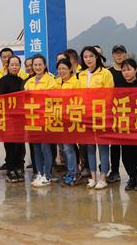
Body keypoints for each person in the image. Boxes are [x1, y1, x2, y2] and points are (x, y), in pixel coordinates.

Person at [79, 46, 114, 189]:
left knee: (103, 147)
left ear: (97, 57)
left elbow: (109, 95)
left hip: (101, 115)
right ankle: (93, 178)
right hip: (86, 116)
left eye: (91, 56)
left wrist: (100, 111)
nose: (88, 59)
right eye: (85, 57)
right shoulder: (81, 75)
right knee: (90, 147)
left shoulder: (105, 73)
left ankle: (103, 177)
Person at [24, 55, 58, 188]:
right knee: (36, 148)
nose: (37, 67)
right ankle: (39, 173)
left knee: (45, 147)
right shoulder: (29, 82)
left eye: (40, 64)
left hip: (46, 119)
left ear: (45, 65)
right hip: (32, 119)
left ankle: (47, 175)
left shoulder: (51, 81)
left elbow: (53, 99)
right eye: (35, 65)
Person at [116, 58, 137, 191]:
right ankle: (132, 177)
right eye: (123, 70)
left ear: (135, 70)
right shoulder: (119, 87)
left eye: (129, 69)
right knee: (126, 153)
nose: (126, 72)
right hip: (124, 125)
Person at [56, 58, 86, 187]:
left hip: (71, 120)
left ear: (70, 69)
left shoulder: (76, 83)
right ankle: (71, 171)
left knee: (68, 148)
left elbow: (80, 100)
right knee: (63, 148)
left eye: (64, 68)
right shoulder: (56, 83)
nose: (62, 71)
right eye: (59, 69)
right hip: (58, 120)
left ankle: (74, 173)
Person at [0, 55, 25, 183]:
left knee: (19, 145)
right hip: (8, 118)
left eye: (17, 65)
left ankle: (18, 168)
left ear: (20, 66)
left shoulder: (22, 81)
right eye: (12, 65)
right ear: (7, 66)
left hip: (20, 118)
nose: (14, 67)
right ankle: (10, 169)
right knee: (10, 145)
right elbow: (1, 100)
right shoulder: (2, 81)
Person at [104, 44, 128, 184]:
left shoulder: (130, 71)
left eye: (121, 53)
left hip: (127, 113)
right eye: (116, 53)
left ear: (125, 54)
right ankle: (114, 171)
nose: (119, 55)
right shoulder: (108, 72)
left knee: (127, 145)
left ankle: (131, 172)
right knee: (114, 145)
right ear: (112, 55)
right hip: (112, 113)